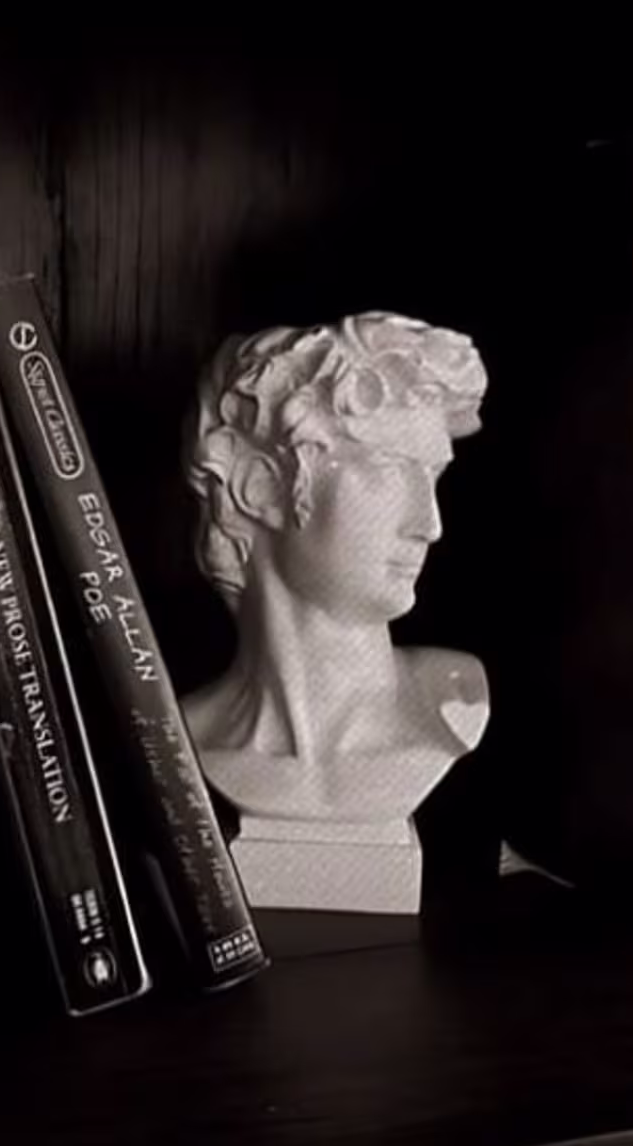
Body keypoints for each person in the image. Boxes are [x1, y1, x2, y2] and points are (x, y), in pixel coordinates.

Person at [182, 311, 489, 826]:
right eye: (390, 470)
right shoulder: (176, 740)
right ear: (261, 487)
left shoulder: (455, 707)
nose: (429, 524)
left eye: (433, 477)